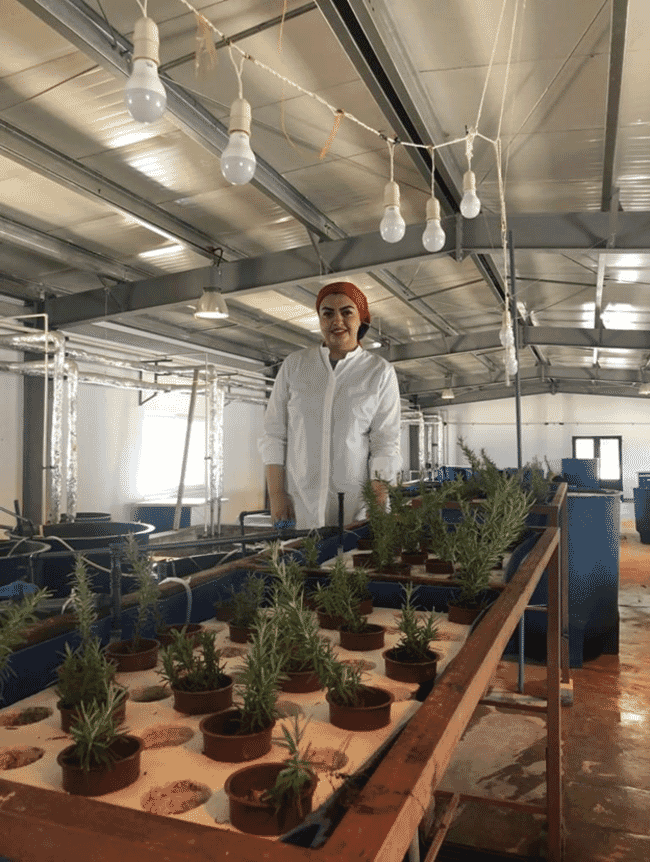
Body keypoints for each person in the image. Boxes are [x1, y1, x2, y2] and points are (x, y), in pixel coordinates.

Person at [259, 280, 402, 529]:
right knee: (300, 564)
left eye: (347, 312)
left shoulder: (379, 372)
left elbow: (385, 442)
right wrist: (277, 496)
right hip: (299, 501)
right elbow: (274, 434)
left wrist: (377, 501)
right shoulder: (295, 365)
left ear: (361, 319)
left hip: (357, 505)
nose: (337, 321)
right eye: (327, 313)